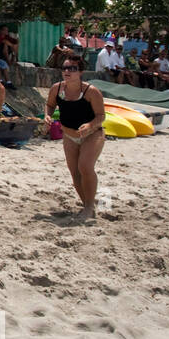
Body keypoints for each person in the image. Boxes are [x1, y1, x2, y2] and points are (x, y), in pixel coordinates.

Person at [46, 54, 107, 222]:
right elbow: (50, 105)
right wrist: (47, 116)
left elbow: (101, 116)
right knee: (75, 173)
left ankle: (88, 208)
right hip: (69, 134)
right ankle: (88, 204)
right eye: (65, 68)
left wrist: (89, 125)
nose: (67, 71)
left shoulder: (90, 91)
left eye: (72, 69)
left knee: (85, 167)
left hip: (92, 134)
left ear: (80, 72)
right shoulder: (56, 88)